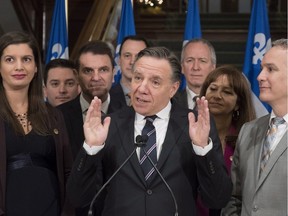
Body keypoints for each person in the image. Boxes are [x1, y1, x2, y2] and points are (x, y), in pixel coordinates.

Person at [66, 46, 232, 216]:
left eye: (155, 82)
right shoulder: (108, 125)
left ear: (173, 89)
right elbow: (77, 198)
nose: (142, 88)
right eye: (138, 78)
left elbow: (217, 199)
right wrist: (91, 149)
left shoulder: (194, 125)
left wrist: (203, 150)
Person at [0, 31, 73, 215]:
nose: (19, 67)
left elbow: (67, 172)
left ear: (35, 68)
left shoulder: (53, 115)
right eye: (10, 59)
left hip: (51, 208)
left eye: (26, 59)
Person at [221, 39, 288, 216]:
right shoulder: (248, 131)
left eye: (271, 69)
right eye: (262, 68)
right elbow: (235, 198)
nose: (260, 76)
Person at [198, 65, 256, 215]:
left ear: (238, 104)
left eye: (227, 92)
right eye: (213, 89)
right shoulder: (185, 133)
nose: (217, 96)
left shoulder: (250, 140)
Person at [174, 38, 216, 109]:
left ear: (213, 67)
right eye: (190, 60)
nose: (195, 67)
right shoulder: (169, 102)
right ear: (182, 67)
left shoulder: (222, 103)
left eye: (202, 61)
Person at [111, 35, 149, 106]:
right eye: (127, 55)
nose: (132, 62)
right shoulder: (106, 97)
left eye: (138, 56)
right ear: (119, 60)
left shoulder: (159, 97)